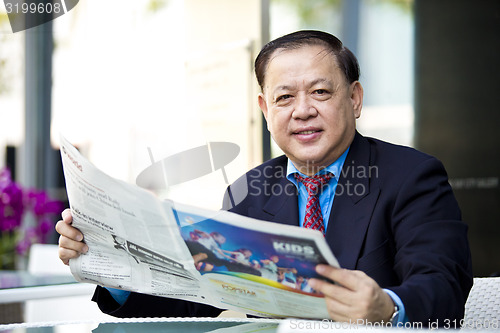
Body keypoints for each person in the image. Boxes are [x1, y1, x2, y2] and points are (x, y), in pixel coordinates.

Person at [56, 30, 472, 325]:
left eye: (320, 92)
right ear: (264, 108)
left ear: (355, 98)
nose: (302, 110)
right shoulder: (247, 194)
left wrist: (389, 307)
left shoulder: (411, 176)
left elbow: (444, 285)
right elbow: (203, 293)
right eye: (284, 97)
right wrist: (111, 265)